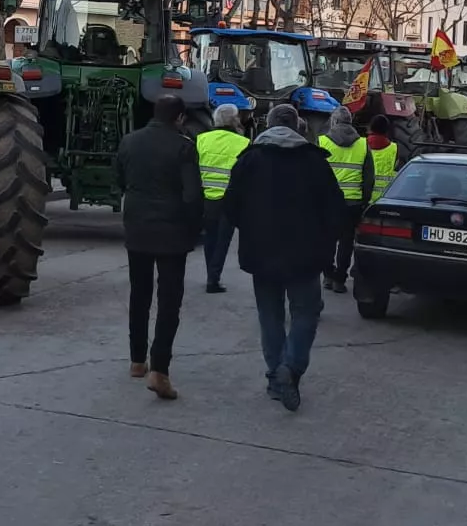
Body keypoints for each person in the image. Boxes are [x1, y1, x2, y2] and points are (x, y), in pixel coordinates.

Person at [222, 105, 346, 413]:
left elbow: (230, 208)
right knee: (305, 313)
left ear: (268, 125)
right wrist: (327, 245)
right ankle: (290, 368)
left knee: (270, 316)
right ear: (300, 127)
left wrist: (252, 229)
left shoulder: (250, 159)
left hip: (261, 253)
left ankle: (275, 378)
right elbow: (336, 211)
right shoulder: (314, 162)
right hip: (305, 255)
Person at [115, 93, 204, 400]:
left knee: (139, 294)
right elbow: (192, 195)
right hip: (172, 234)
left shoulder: (129, 141)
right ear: (179, 118)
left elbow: (119, 180)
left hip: (137, 229)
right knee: (169, 302)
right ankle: (160, 369)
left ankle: (137, 361)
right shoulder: (183, 147)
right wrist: (195, 229)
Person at [195, 104, 250, 294]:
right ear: (235, 120)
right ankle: (213, 278)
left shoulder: (201, 139)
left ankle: (211, 273)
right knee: (223, 241)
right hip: (229, 199)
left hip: (206, 197)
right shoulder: (242, 143)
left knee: (210, 238)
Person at [317, 106, 371, 293]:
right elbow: (368, 178)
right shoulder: (363, 144)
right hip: (353, 203)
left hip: (327, 202)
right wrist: (364, 201)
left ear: (334, 121)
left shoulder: (322, 142)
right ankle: (340, 279)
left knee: (326, 241)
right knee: (346, 243)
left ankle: (328, 275)